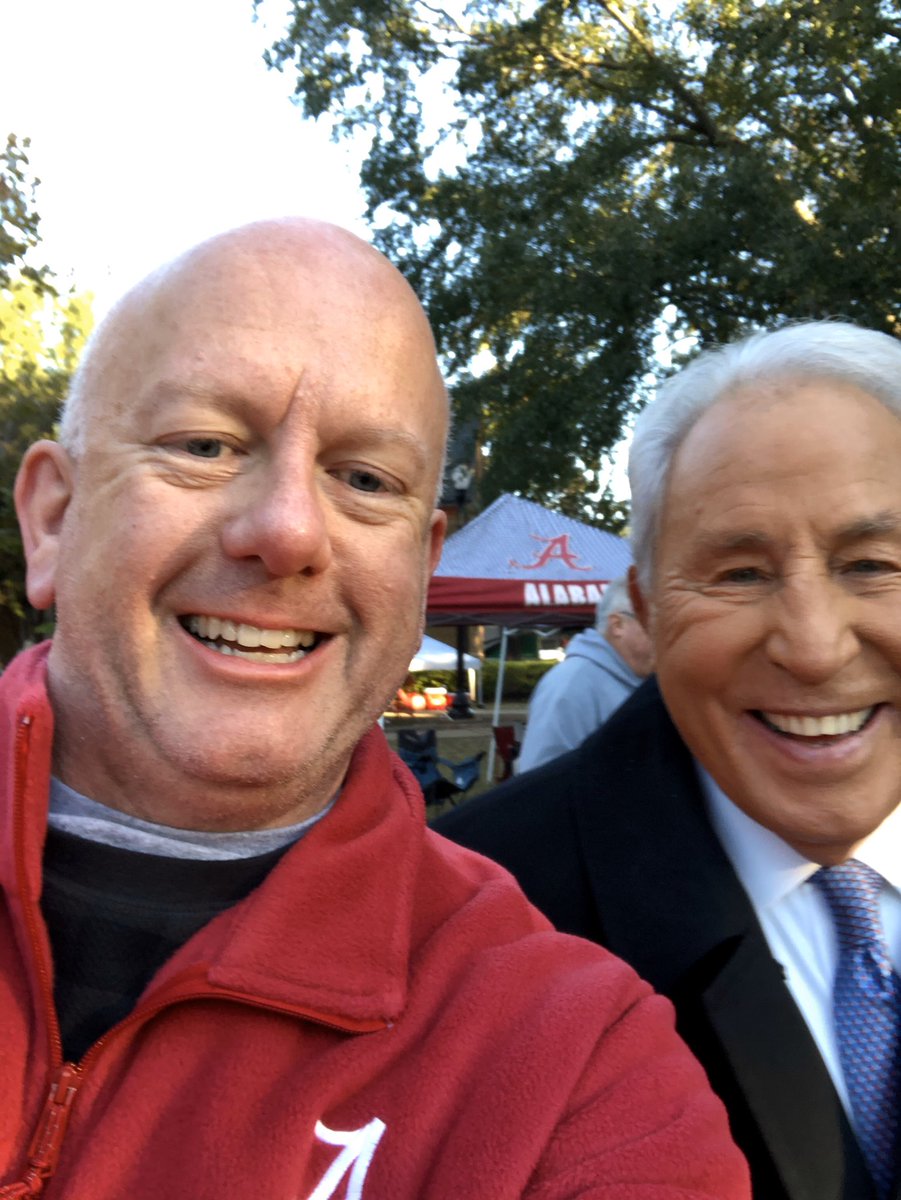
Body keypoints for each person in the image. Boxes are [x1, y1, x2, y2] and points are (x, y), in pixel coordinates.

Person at [0, 219, 748, 1199]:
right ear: (53, 519)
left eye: (364, 479)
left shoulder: (570, 1067)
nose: (287, 530)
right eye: (207, 443)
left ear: (423, 567)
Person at [435, 320, 901, 1200]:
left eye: (870, 564)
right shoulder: (476, 927)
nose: (811, 646)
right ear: (644, 610)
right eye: (737, 574)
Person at [516, 576, 653, 772]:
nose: (664, 633)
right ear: (617, 625)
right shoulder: (570, 685)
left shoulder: (650, 681)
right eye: (652, 622)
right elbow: (541, 782)